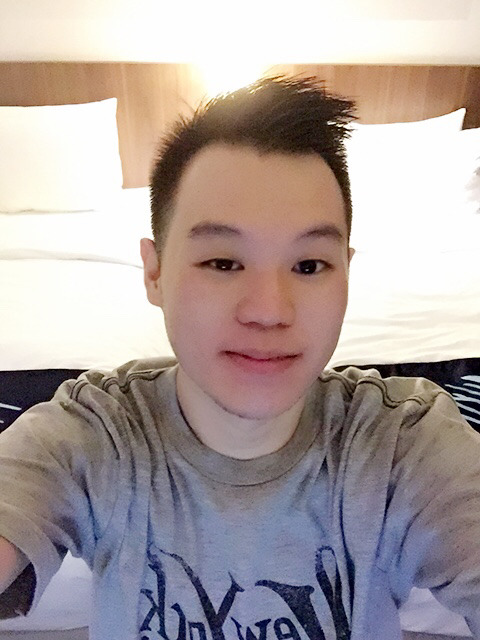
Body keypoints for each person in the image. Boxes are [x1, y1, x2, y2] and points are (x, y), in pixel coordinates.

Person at [0, 75, 479, 640]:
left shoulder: (403, 442)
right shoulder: (95, 433)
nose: (269, 312)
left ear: (347, 271)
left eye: (309, 266)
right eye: (223, 263)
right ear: (154, 272)